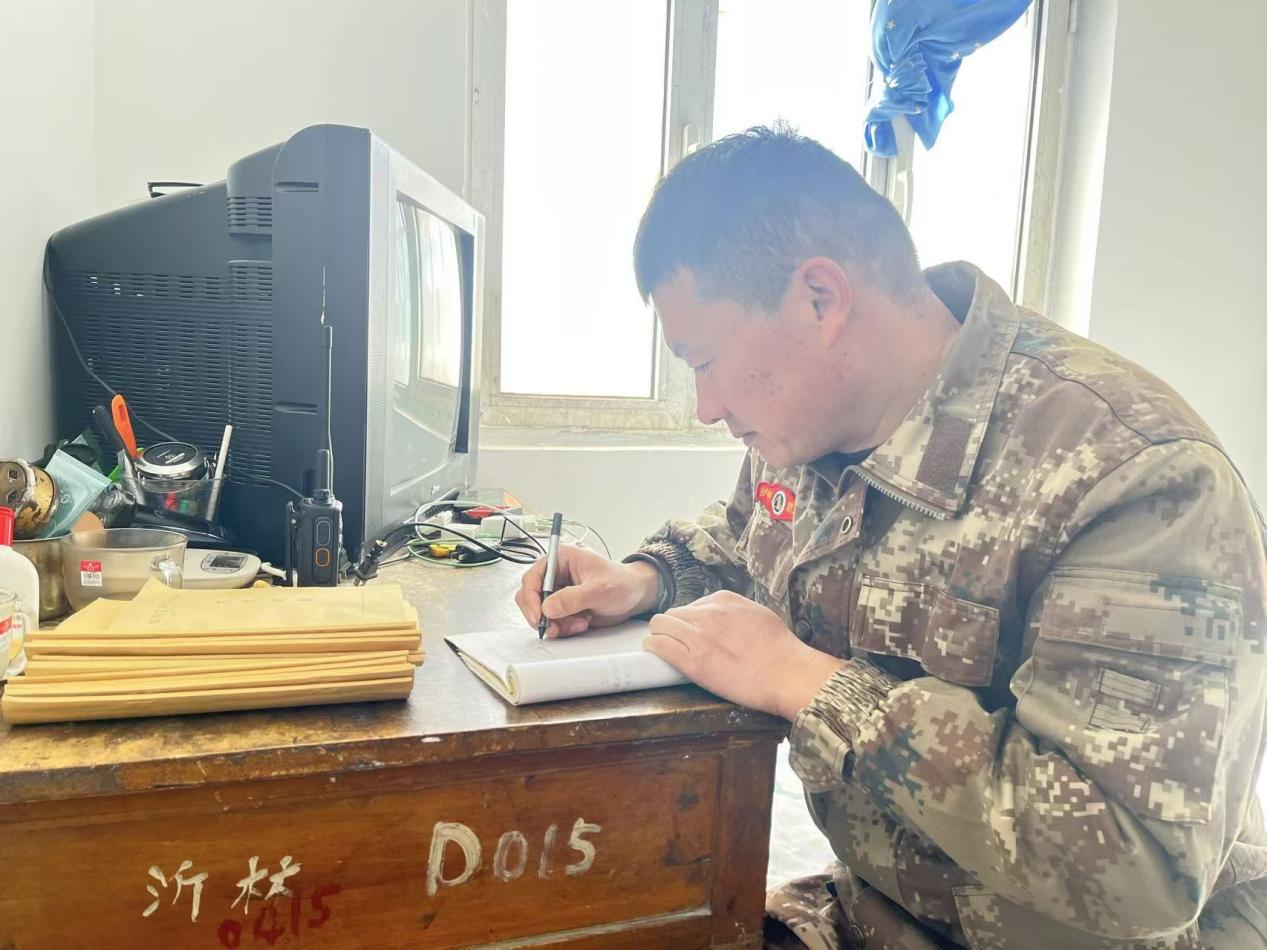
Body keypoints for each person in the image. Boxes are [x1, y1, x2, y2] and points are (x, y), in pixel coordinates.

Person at [514, 125, 1267, 948]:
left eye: (702, 361)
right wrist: (646, 578)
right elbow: (745, 544)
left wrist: (809, 684)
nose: (704, 407)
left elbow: (1136, 867)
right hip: (879, 910)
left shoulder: (1134, 477)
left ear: (820, 300)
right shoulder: (809, 431)